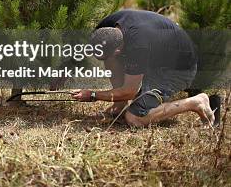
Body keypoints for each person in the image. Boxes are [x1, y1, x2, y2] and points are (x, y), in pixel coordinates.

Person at [72, 9, 215, 128]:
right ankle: (119, 104)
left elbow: (129, 91)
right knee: (111, 60)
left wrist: (92, 95)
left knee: (135, 118)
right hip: (157, 55)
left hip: (178, 69)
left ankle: (196, 102)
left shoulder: (137, 46)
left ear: (118, 51)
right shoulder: (106, 28)